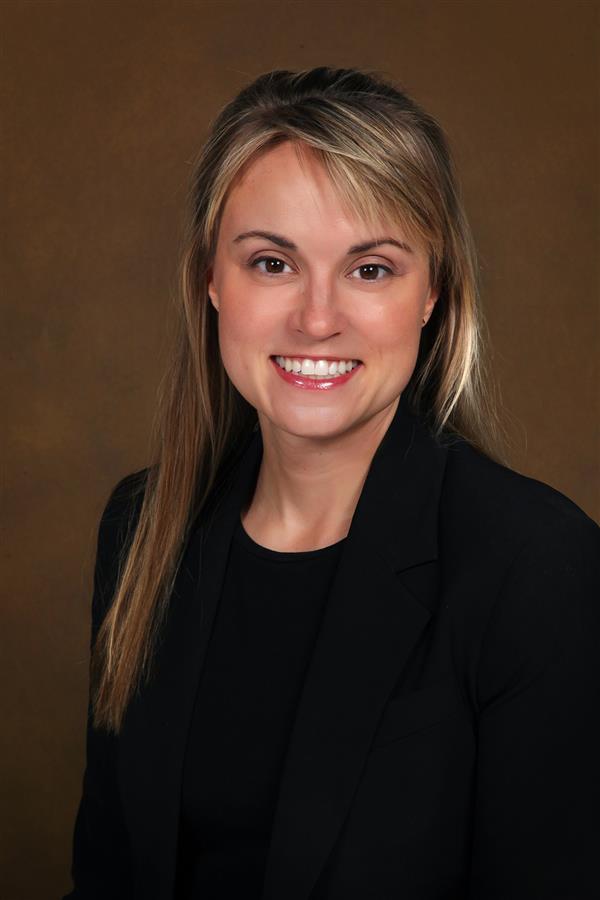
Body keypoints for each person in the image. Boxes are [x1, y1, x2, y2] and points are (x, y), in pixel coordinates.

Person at [63, 67, 600, 900]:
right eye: (273, 262)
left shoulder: (535, 565)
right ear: (212, 280)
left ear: (434, 292)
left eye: (371, 269)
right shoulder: (142, 529)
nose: (317, 319)